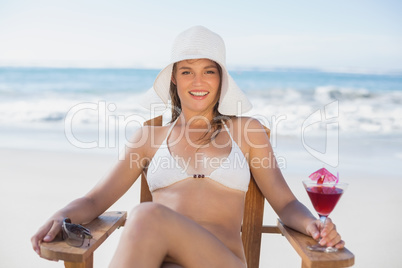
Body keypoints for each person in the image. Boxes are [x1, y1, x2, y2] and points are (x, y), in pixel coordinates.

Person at [31, 26, 345, 268]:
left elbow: (286, 203)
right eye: (187, 71)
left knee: (146, 215)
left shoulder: (248, 132)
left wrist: (313, 226)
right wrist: (61, 216)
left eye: (209, 71)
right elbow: (96, 198)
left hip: (221, 262)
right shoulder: (149, 137)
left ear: (221, 80)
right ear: (174, 81)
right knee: (147, 216)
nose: (198, 81)